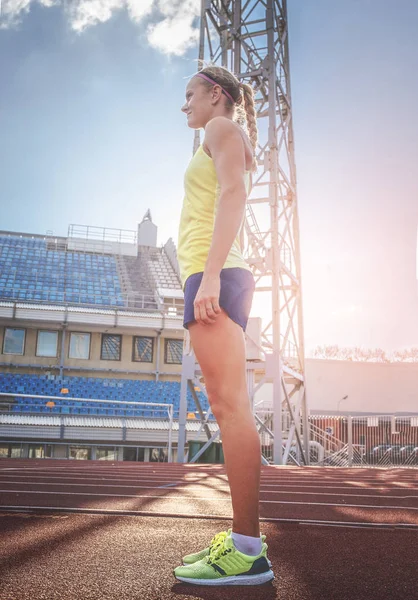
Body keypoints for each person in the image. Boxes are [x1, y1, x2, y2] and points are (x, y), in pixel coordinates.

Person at [173, 65, 274, 586]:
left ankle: (248, 551)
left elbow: (233, 195)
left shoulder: (219, 129)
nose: (183, 104)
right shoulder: (217, 135)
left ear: (216, 95)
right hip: (209, 272)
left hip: (214, 274)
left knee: (230, 407)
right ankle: (241, 542)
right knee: (227, 405)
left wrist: (209, 276)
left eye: (189, 94)